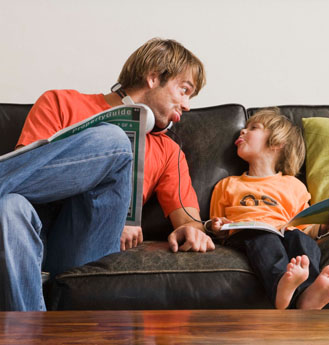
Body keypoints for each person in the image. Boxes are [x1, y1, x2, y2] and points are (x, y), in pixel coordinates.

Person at [0, 38, 215, 311]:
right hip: (30, 231)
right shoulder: (59, 102)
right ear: (153, 77)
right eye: (184, 91)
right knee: (8, 205)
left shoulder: (169, 150)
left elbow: (190, 222)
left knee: (116, 141)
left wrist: (189, 230)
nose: (186, 106)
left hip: (87, 244)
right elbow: (24, 175)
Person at [207, 108, 329, 309]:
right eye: (244, 128)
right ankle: (281, 285)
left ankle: (308, 293)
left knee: (301, 239)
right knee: (264, 238)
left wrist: (325, 226)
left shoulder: (293, 185)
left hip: (284, 231)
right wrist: (216, 226)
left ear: (278, 143)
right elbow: (216, 224)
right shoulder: (227, 184)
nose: (242, 132)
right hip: (247, 233)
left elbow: (304, 225)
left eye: (253, 128)